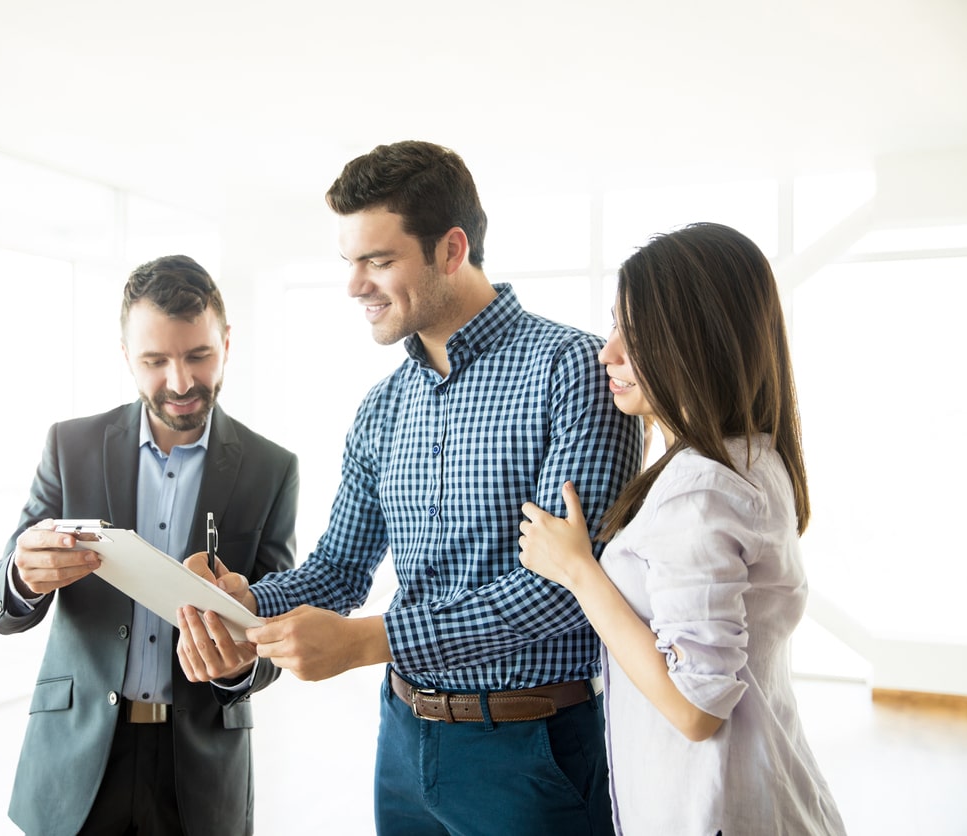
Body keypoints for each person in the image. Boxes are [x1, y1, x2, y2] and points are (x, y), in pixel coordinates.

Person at [177, 141, 643, 835]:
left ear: (451, 250)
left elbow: (567, 590)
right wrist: (246, 601)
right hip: (401, 744)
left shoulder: (572, 370)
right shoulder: (380, 408)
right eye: (350, 262)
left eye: (379, 260)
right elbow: (338, 569)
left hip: (530, 749)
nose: (355, 285)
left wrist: (369, 642)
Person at [517, 223, 846, 834]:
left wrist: (578, 571)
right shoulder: (752, 456)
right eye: (613, 325)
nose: (606, 353)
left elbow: (697, 709)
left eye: (632, 335)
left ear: (696, 343)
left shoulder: (699, 489)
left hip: (714, 807)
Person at [0, 254, 299, 836]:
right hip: (76, 758)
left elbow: (275, 630)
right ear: (126, 356)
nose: (180, 382)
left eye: (199, 355)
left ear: (227, 342)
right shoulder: (69, 446)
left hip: (198, 770)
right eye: (155, 361)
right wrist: (23, 576)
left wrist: (238, 667)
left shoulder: (271, 468)